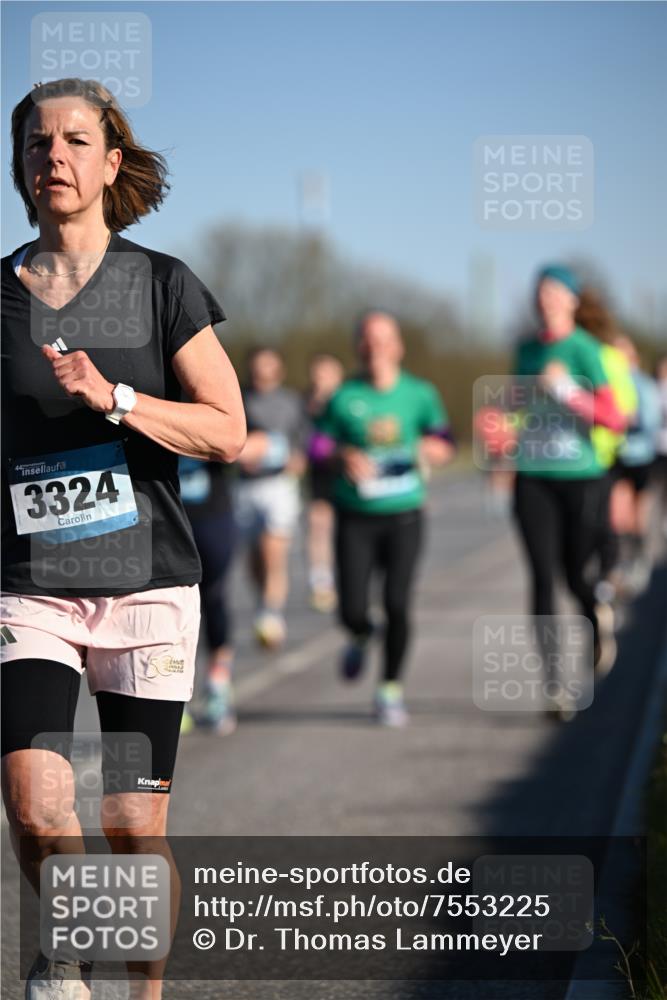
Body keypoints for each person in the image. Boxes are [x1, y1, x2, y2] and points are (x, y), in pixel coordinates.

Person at [1, 79, 245, 1000]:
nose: (52, 156)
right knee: (35, 805)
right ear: (20, 166)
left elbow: (228, 430)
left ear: (110, 164)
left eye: (72, 141)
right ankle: (66, 947)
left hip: (147, 587)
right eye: (34, 143)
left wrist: (119, 400)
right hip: (29, 587)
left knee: (131, 827)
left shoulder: (161, 284)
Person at [312, 310, 454, 726]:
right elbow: (318, 445)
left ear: (398, 346)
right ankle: (359, 633)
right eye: (368, 340)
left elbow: (444, 439)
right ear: (359, 347)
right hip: (356, 515)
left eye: (383, 339)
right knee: (352, 608)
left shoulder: (419, 393)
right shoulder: (343, 396)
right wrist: (343, 455)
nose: (375, 347)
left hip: (405, 513)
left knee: (397, 603)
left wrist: (433, 451)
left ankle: (390, 689)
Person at [512, 265, 627, 712]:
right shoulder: (525, 351)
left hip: (581, 477)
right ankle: (554, 684)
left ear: (574, 301)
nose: (546, 300)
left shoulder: (586, 349)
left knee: (573, 575)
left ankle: (596, 620)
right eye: (540, 293)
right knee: (541, 577)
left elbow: (615, 418)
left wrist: (565, 391)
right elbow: (516, 408)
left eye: (555, 292)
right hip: (533, 478)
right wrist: (502, 426)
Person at [234, 347, 306, 648]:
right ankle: (263, 604)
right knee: (254, 558)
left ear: (278, 370)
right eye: (257, 367)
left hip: (280, 485)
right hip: (246, 487)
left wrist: (298, 460)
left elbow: (304, 442)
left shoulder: (291, 402)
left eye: (268, 367)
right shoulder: (238, 398)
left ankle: (271, 613)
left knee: (272, 550)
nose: (262, 372)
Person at [178, 456, 237, 735]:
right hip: (165, 514)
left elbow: (238, 441)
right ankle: (174, 694)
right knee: (168, 607)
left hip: (212, 513)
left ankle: (217, 686)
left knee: (213, 599)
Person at [608, 336, 662, 591]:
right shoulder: (607, 381)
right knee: (620, 515)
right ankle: (622, 560)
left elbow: (650, 421)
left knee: (638, 516)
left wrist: (628, 421)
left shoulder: (642, 384)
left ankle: (640, 559)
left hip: (640, 456)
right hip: (615, 456)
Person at [303, 352, 344, 612]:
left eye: (326, 376)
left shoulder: (349, 401)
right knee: (318, 523)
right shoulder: (306, 405)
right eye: (317, 376)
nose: (321, 381)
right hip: (320, 473)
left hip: (348, 474)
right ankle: (321, 581)